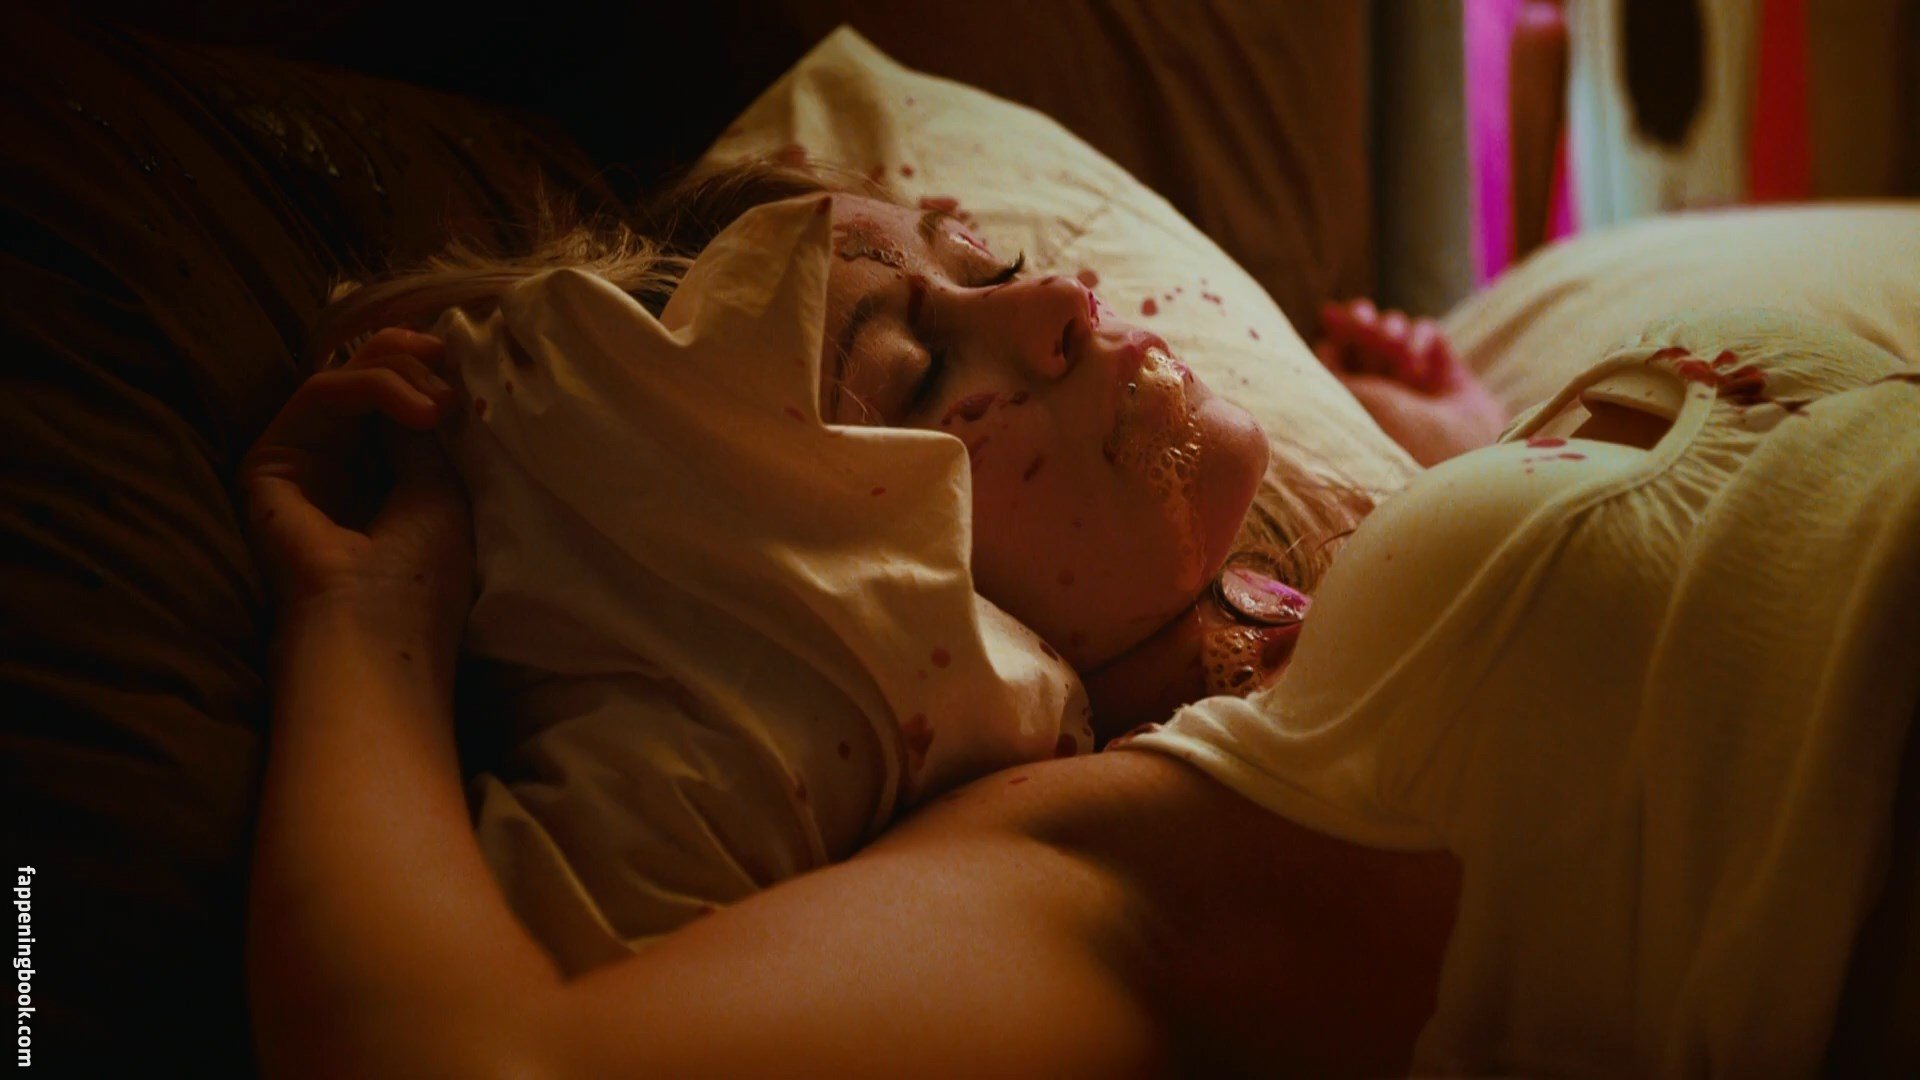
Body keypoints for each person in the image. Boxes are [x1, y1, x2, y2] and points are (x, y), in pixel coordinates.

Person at [242, 159, 1920, 1075]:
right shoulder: (1098, 859)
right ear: (830, 597)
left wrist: (1494, 454)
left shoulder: (1338, 601)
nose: (1055, 297)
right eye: (914, 370)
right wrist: (372, 616)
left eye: (976, 263)